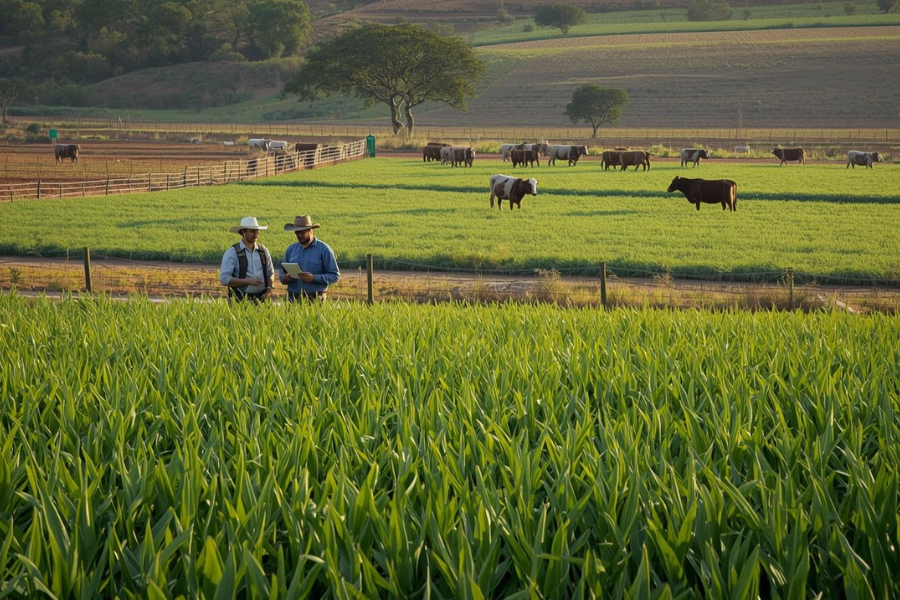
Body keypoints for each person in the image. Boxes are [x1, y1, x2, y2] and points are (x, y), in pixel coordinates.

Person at [279, 215, 340, 302]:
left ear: (310, 230)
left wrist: (314, 278)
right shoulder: (291, 249)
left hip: (315, 298)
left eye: (302, 232)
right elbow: (282, 270)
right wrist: (284, 278)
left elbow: (334, 276)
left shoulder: (324, 249)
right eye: (297, 232)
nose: (299, 235)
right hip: (292, 298)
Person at [220, 216, 275, 303]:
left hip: (262, 300)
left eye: (257, 231)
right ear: (243, 232)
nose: (256, 234)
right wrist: (247, 281)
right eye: (252, 231)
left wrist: (269, 288)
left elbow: (270, 273)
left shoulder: (263, 251)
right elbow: (224, 279)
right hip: (239, 300)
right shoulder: (232, 252)